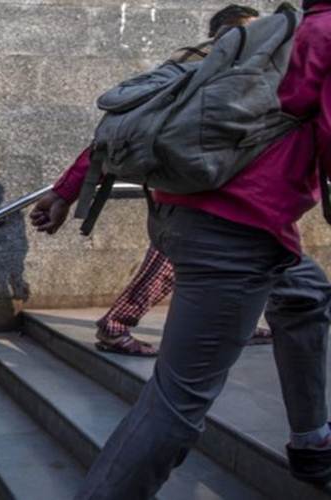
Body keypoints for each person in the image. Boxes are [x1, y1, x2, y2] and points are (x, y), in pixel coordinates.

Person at [48, 2, 331, 497]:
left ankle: (311, 441)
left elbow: (139, 120)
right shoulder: (318, 36)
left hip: (194, 215)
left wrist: (66, 189)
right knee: (177, 403)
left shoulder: (270, 37)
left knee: (305, 295)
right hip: (237, 229)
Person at [32, 4, 264, 357]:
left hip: (204, 187)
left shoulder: (185, 67)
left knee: (258, 260)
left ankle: (235, 324)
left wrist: (65, 192)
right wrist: (65, 193)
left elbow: (110, 139)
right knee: (171, 260)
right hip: (199, 191)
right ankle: (116, 325)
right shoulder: (214, 72)